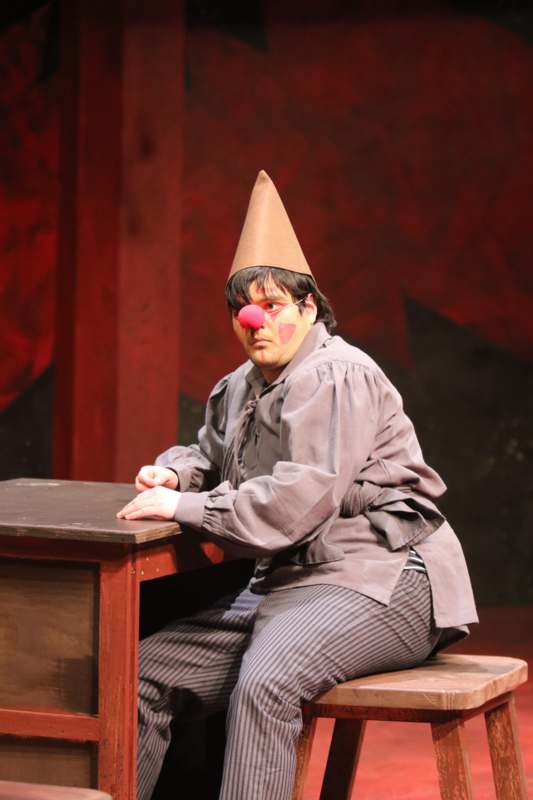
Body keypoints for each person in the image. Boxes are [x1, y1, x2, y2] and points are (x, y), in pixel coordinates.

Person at [117, 170, 478, 800]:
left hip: (384, 579)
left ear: (308, 307)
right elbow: (211, 456)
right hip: (289, 585)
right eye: (242, 310)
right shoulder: (239, 388)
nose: (254, 322)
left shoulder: (337, 375)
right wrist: (176, 471)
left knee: (266, 682)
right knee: (143, 676)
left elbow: (298, 501)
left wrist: (184, 504)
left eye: (272, 307)